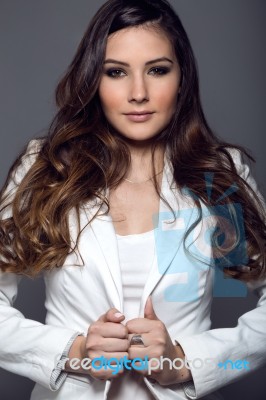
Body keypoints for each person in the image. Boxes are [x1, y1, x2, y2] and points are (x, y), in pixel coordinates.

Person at [0, 0, 265, 399]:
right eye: (116, 72)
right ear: (94, 80)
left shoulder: (219, 175)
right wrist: (71, 352)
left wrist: (185, 362)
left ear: (182, 78)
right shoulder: (48, 167)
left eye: (157, 70)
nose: (138, 93)